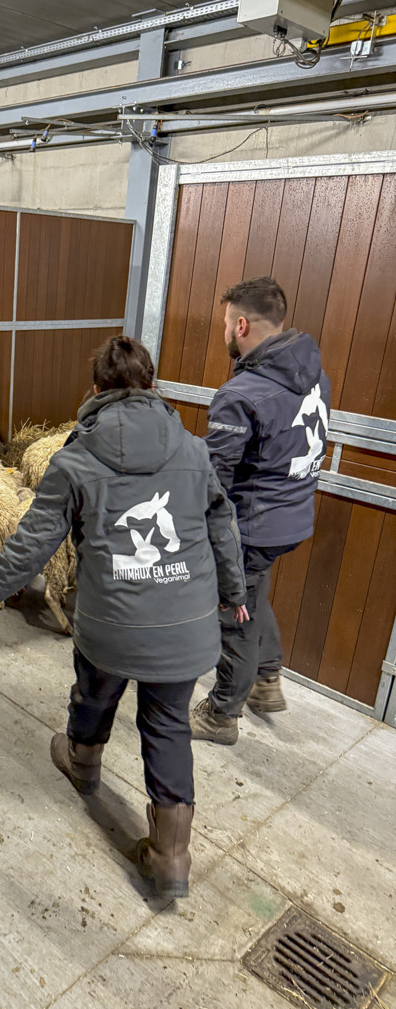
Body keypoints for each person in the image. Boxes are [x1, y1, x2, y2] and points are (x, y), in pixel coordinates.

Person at [0, 336, 247, 899]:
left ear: (95, 390)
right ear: (154, 386)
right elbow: (221, 526)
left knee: (94, 692)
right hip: (184, 625)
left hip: (110, 621)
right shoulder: (193, 449)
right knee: (167, 725)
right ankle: (170, 857)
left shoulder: (75, 456)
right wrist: (233, 594)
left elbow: (31, 545)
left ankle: (83, 763)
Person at [190, 276, 330, 746]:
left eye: (225, 324)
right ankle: (267, 681)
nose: (224, 332)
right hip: (292, 513)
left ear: (242, 324)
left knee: (236, 614)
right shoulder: (312, 373)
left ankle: (222, 713)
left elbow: (216, 478)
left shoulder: (242, 393)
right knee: (255, 591)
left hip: (252, 524)